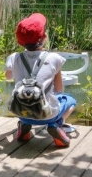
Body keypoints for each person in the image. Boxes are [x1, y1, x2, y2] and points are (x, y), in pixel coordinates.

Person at [5, 13, 76, 147]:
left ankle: (24, 126)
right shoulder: (54, 58)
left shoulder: (14, 57)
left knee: (26, 105)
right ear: (44, 37)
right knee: (70, 100)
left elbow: (7, 76)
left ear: (19, 40)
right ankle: (56, 125)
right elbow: (59, 89)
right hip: (48, 114)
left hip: (21, 112)